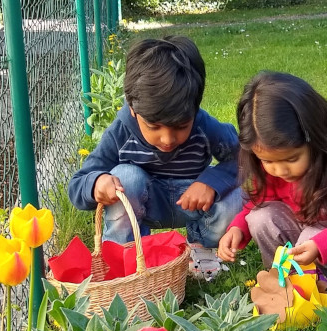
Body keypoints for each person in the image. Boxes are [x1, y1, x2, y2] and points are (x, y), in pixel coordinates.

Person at [68, 36, 243, 280]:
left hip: (192, 203)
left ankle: (199, 250)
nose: (168, 139)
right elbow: (78, 183)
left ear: (195, 107)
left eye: (181, 126)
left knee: (236, 197)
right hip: (143, 203)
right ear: (132, 107)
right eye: (154, 126)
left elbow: (245, 159)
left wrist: (211, 182)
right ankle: (125, 257)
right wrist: (97, 183)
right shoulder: (121, 131)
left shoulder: (204, 126)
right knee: (124, 177)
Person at [218, 71, 327, 307]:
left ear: (314, 137)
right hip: (308, 229)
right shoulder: (268, 166)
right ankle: (289, 278)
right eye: (268, 162)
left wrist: (322, 244)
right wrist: (238, 228)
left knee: (313, 235)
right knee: (259, 218)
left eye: (291, 159)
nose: (280, 171)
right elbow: (259, 202)